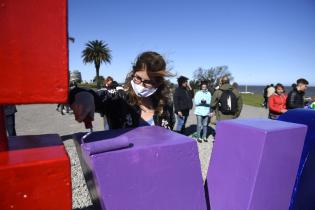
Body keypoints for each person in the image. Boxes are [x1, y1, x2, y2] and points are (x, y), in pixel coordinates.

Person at [69, 51, 175, 130]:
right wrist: (83, 95)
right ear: (133, 73)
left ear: (158, 82)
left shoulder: (165, 105)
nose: (141, 85)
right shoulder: (120, 99)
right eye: (138, 78)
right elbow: (100, 96)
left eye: (148, 82)